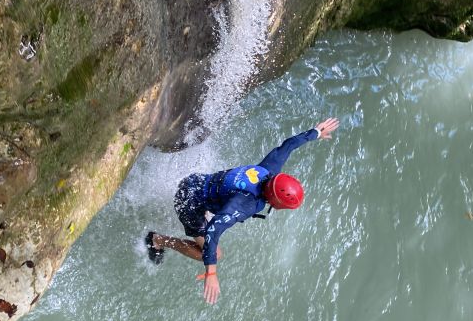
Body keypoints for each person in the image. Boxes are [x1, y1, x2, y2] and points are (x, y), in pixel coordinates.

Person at [145, 118, 340, 304]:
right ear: (276, 203)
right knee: (213, 252)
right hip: (188, 202)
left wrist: (315, 133)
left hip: (194, 181)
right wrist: (211, 272)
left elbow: (288, 146)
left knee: (214, 204)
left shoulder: (268, 171)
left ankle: (199, 214)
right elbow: (214, 229)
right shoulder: (246, 203)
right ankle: (158, 240)